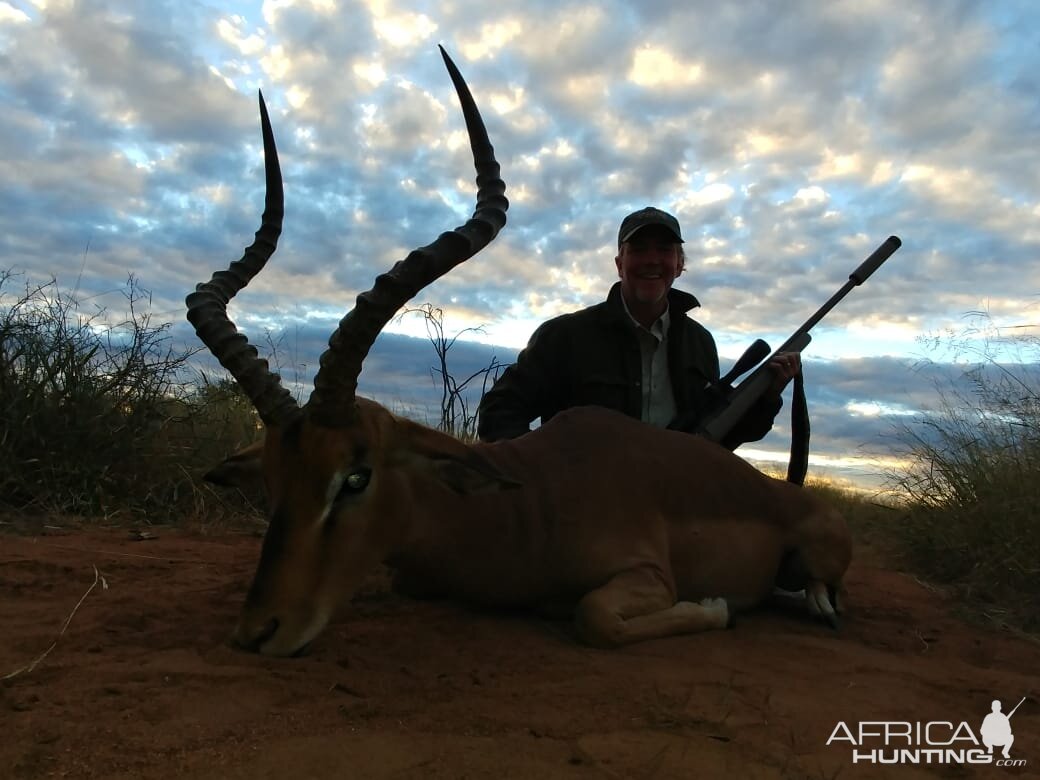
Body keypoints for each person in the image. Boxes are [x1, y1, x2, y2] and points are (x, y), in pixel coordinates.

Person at [477, 206, 801, 448]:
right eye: (639, 249)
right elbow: (500, 411)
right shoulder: (564, 336)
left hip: (671, 509)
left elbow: (719, 437)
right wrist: (545, 477)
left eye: (664, 250)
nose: (651, 260)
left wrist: (769, 394)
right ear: (620, 264)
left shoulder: (700, 343)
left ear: (679, 264)